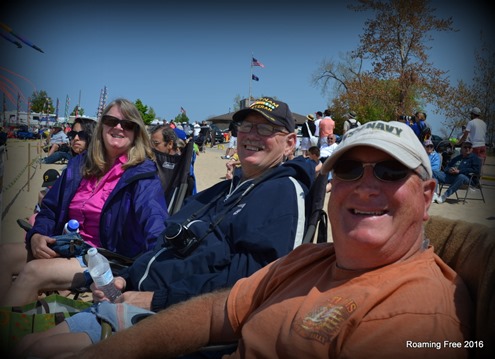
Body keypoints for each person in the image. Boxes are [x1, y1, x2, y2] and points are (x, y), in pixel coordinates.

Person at [54, 120, 472, 359]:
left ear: (427, 195)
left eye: (390, 171)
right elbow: (218, 312)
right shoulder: (310, 259)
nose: (366, 186)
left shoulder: (413, 317)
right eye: (349, 171)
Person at [14, 97, 316, 358]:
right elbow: (165, 243)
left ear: (290, 142)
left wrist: (154, 299)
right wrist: (124, 280)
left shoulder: (281, 192)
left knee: (37, 350)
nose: (252, 135)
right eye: (246, 127)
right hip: (133, 295)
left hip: (169, 318)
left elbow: (251, 284)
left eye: (265, 129)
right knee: (27, 342)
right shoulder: (227, 191)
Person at [0, 98, 168, 307]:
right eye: (111, 121)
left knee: (32, 272)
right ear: (101, 126)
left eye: (127, 124)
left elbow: (155, 221)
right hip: (65, 244)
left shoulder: (141, 175)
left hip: (104, 258)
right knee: (4, 255)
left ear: (136, 133)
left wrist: (155, 268)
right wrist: (37, 235)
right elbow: (50, 208)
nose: (118, 127)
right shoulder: (79, 164)